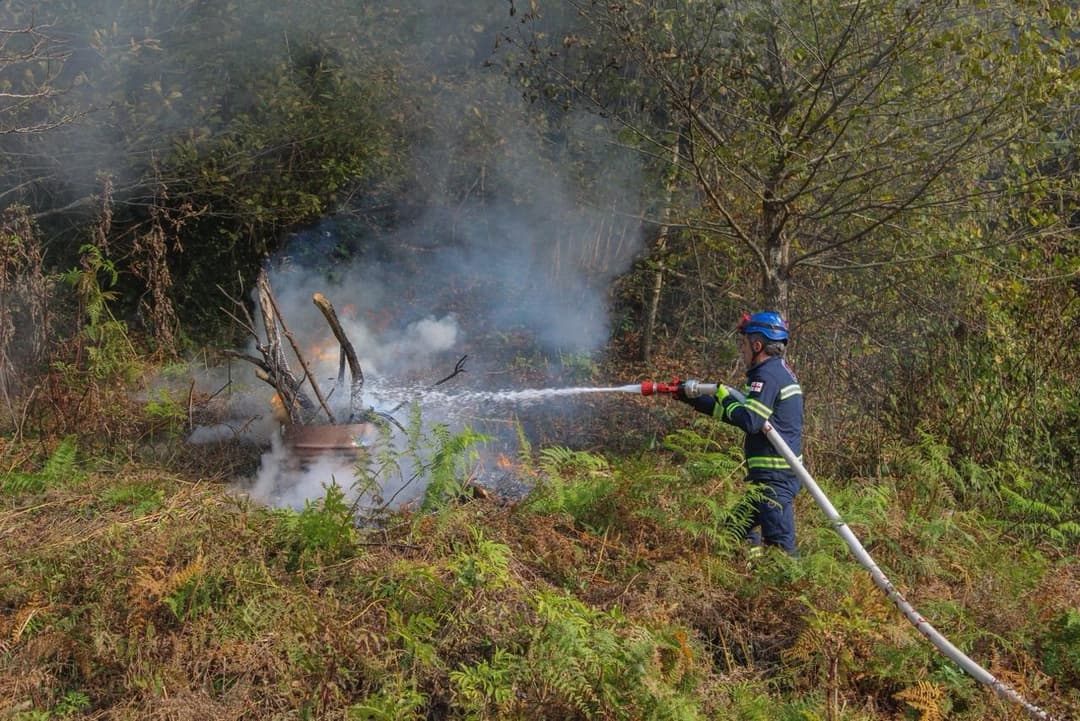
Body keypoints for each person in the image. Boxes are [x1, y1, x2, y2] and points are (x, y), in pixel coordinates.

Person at [674, 311, 804, 556]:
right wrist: (693, 399)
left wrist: (724, 396)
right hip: (770, 478)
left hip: (775, 480)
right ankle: (752, 568)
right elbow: (737, 415)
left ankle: (784, 581)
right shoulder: (774, 372)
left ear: (757, 345)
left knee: (781, 550)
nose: (742, 350)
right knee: (735, 530)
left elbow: (750, 421)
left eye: (744, 344)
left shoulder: (767, 376)